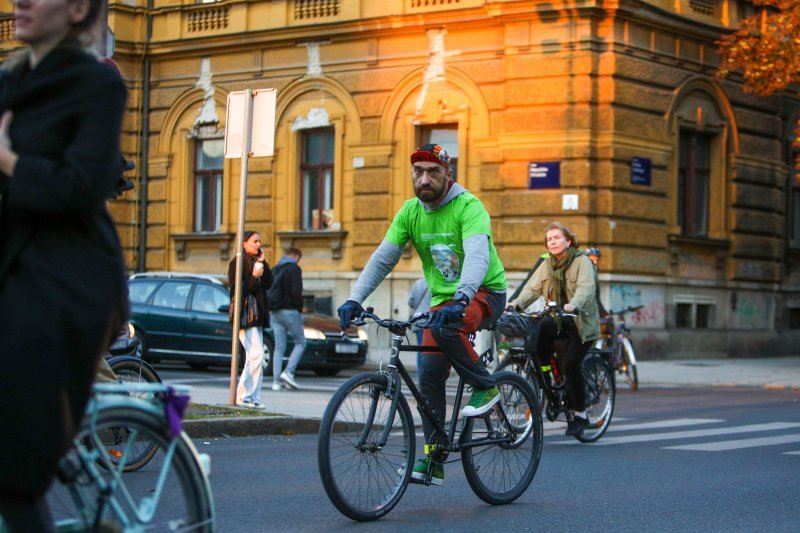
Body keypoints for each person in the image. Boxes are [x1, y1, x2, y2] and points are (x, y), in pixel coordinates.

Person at [0, 0, 129, 529]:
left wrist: (8, 162)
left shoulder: (98, 85)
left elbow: (82, 185)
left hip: (68, 282)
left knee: (13, 475)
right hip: (16, 271)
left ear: (78, 8)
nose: (20, 1)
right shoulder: (10, 81)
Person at [337, 143, 507, 486]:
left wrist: (463, 297)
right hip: (444, 301)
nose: (424, 178)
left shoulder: (469, 206)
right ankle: (434, 457)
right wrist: (354, 298)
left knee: (448, 329)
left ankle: (486, 386)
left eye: (433, 171)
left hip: (484, 293)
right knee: (428, 375)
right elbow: (384, 258)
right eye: (418, 172)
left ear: (448, 174)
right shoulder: (409, 212)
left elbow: (477, 256)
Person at [508, 222, 601, 436]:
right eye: (549, 239)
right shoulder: (547, 264)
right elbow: (533, 287)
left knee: (571, 365)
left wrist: (573, 304)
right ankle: (548, 376)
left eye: (557, 238)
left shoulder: (582, 261)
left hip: (580, 322)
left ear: (568, 241)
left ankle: (580, 414)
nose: (553, 242)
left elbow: (586, 289)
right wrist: (515, 304)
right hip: (558, 318)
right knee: (539, 333)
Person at [228, 231, 273, 408]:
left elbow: (269, 283)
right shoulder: (237, 263)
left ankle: (253, 397)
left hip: (257, 317)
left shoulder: (257, 262)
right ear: (244, 244)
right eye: (254, 241)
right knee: (257, 355)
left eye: (259, 241)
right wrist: (254, 276)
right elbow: (237, 291)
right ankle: (243, 396)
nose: (258, 244)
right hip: (245, 316)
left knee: (255, 358)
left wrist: (262, 263)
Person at [267, 247, 306, 391]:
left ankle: (276, 382)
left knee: (279, 347)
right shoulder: (294, 269)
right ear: (296, 257)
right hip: (290, 311)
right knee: (301, 342)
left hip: (275, 312)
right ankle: (289, 372)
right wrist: (299, 308)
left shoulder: (275, 268)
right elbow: (296, 292)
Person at [407, 277, 431, 385]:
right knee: (429, 351)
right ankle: (426, 379)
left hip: (418, 321)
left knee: (420, 350)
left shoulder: (418, 283)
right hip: (430, 321)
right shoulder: (435, 281)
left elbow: (411, 302)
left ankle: (422, 378)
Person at [585, 246, 609, 318]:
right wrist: (602, 312)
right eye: (592, 260)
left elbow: (596, 297)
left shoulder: (593, 273)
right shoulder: (585, 274)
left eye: (597, 260)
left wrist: (603, 312)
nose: (595, 262)